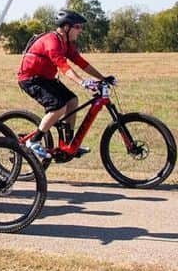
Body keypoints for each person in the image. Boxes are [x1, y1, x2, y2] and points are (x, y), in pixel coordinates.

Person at [17, 9, 109, 160]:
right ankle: (34, 141)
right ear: (66, 27)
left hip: (46, 78)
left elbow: (81, 63)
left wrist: (103, 78)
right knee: (58, 106)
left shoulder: (66, 43)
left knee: (72, 101)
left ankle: (68, 144)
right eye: (78, 27)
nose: (81, 30)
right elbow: (63, 66)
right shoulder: (51, 41)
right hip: (30, 79)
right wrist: (82, 82)